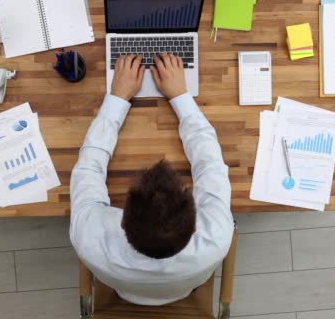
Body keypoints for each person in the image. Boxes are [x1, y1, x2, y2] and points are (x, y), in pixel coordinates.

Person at [70, 53, 234, 305]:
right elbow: (209, 163)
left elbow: (89, 167)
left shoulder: (88, 237)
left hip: (123, 292)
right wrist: (180, 95)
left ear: (122, 222)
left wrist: (117, 98)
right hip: (183, 290)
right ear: (193, 226)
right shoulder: (217, 237)